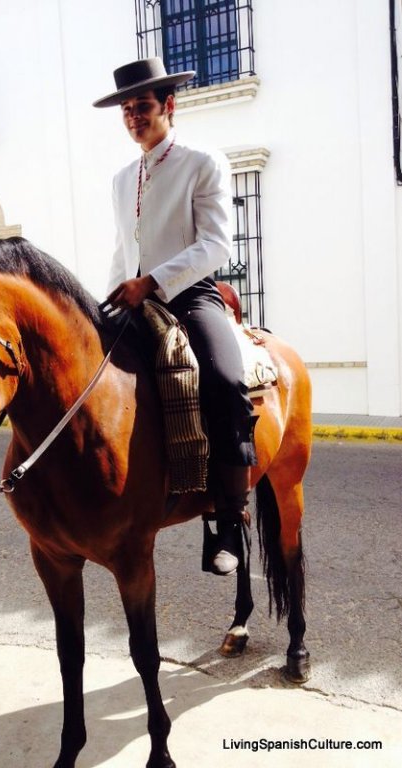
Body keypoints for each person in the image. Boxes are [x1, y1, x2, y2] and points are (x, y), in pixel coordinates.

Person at [93, 57, 256, 576]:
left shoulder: (201, 161)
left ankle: (228, 517)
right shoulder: (123, 178)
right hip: (135, 300)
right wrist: (108, 299)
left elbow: (215, 244)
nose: (134, 116)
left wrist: (154, 281)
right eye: (126, 109)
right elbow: (124, 250)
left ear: (168, 106)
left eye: (142, 106)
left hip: (188, 295)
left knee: (226, 381)